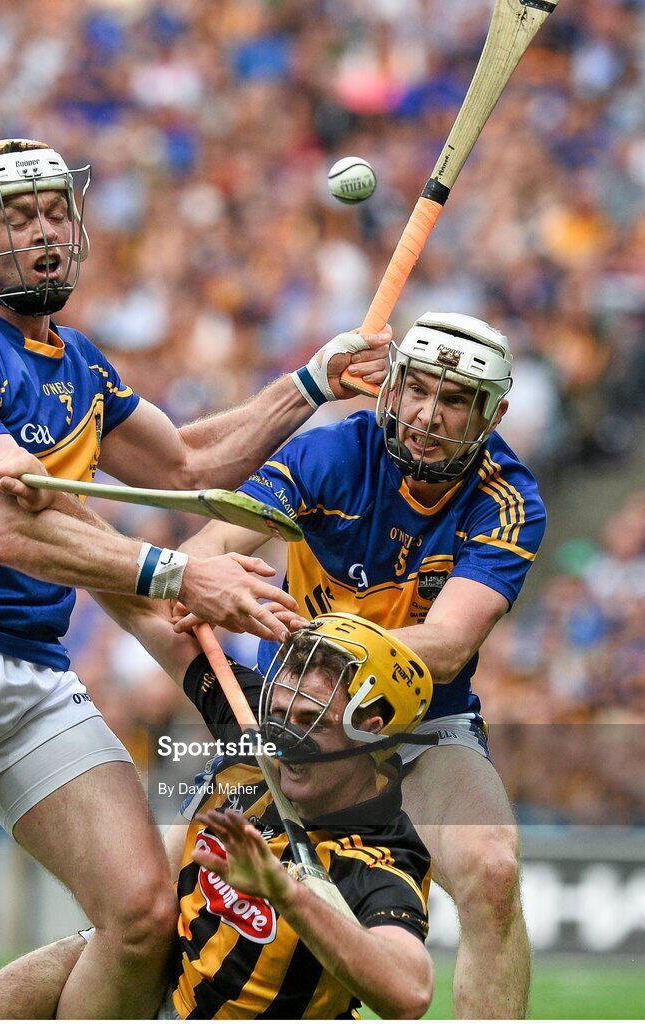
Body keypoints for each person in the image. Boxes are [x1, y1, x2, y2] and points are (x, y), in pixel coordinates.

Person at [0, 138, 389, 1020]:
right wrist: (178, 575)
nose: (46, 233)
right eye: (19, 219)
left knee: (142, 915)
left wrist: (313, 384)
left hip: (34, 663)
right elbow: (15, 532)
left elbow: (189, 463)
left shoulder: (79, 362)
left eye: (56, 213)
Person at [174, 312, 547, 1018]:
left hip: (420, 722)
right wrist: (208, 582)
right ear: (394, 386)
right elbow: (205, 550)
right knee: (154, 887)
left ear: (492, 414)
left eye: (456, 400)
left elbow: (448, 644)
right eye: (418, 388)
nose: (427, 416)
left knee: (493, 871)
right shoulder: (331, 457)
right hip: (295, 716)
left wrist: (315, 638)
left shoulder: (509, 501)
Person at [0, 610, 436, 1020]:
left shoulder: (381, 856)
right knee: (109, 938)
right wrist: (184, 575)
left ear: (371, 734)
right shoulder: (249, 725)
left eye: (311, 722)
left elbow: (410, 993)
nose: (283, 738)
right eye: (279, 713)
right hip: (163, 976)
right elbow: (145, 611)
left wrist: (285, 894)